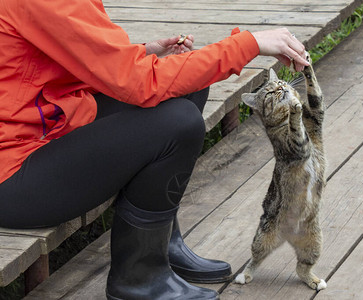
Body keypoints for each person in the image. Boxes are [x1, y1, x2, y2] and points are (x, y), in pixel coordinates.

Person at [0, 0, 310, 299]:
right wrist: (249, 44)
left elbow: (54, 55)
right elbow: (142, 82)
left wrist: (137, 54)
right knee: (178, 122)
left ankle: (159, 246)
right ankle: (139, 277)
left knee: (185, 85)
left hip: (50, 125)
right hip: (13, 176)